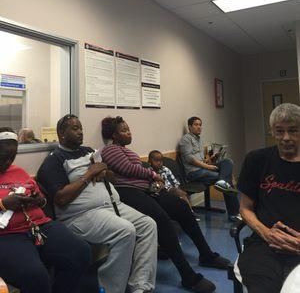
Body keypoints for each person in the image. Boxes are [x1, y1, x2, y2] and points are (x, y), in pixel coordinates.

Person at [101, 116, 232, 293]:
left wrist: (153, 179)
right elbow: (128, 170)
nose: (129, 132)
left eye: (129, 129)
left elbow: (140, 170)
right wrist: (153, 175)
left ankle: (206, 255)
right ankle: (188, 276)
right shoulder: (110, 149)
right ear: (114, 136)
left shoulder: (126, 150)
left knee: (182, 207)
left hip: (147, 190)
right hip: (128, 193)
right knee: (161, 219)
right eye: (124, 130)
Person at [37, 114, 157, 293]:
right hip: (80, 216)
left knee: (149, 225)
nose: (80, 132)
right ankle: (110, 289)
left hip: (111, 206)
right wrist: (88, 174)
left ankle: (140, 286)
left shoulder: (89, 151)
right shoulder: (54, 160)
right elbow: (61, 198)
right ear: (62, 133)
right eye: (75, 128)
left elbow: (111, 177)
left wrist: (104, 170)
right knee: (125, 231)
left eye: (81, 128)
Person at [0, 127, 91, 293]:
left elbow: (42, 200)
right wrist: (3, 204)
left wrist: (38, 199)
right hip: (8, 235)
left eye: (12, 156)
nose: (8, 162)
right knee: (35, 275)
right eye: (4, 155)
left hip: (40, 226)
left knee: (81, 253)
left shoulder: (19, 172)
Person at [237, 103, 300, 293]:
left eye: (293, 131)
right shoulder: (256, 160)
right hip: (264, 245)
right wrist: (266, 233)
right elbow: (245, 208)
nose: (286, 138)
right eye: (280, 131)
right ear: (272, 131)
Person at [179, 116, 240, 221]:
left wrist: (211, 159)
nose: (199, 127)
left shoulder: (199, 139)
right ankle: (234, 214)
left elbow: (202, 160)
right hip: (194, 173)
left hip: (203, 169)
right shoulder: (186, 139)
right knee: (227, 181)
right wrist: (208, 166)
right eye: (196, 125)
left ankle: (222, 181)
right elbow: (190, 159)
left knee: (227, 161)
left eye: (200, 125)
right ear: (189, 127)